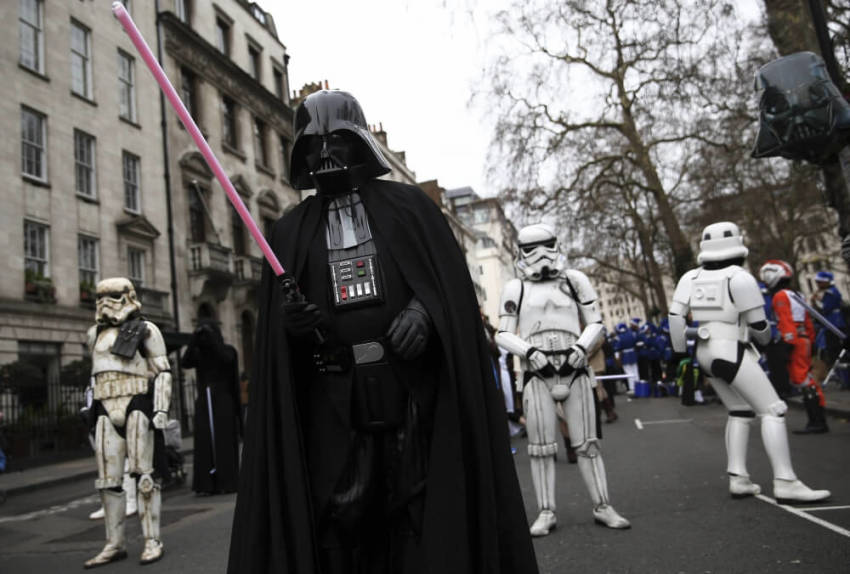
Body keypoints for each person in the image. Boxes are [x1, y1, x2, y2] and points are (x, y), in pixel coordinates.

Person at [227, 90, 537, 574]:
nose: (326, 155)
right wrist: (292, 327)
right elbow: (276, 340)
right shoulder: (289, 232)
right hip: (333, 400)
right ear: (301, 152)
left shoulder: (410, 208)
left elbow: (448, 290)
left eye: (338, 142)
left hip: (407, 388)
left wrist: (425, 312)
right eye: (315, 144)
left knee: (414, 503)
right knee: (344, 511)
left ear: (360, 143)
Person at [669, 223, 830, 503]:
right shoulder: (739, 278)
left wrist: (682, 352)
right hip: (731, 347)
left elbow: (675, 319)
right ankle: (785, 480)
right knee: (773, 410)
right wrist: (768, 342)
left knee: (739, 411)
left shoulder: (689, 277)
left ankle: (739, 477)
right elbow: (759, 325)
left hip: (704, 351)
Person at [496, 222, 630, 536]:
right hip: (536, 372)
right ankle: (546, 510)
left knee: (588, 444)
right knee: (540, 447)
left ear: (556, 244)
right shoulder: (516, 287)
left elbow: (596, 321)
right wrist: (529, 352)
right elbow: (503, 332)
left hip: (575, 367)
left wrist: (581, 347)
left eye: (546, 244)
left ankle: (602, 504)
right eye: (532, 247)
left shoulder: (574, 280)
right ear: (522, 252)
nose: (540, 253)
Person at [84, 277, 171, 567]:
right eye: (101, 296)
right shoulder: (93, 334)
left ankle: (152, 539)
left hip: (137, 403)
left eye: (114, 296)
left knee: (144, 476)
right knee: (108, 481)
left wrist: (160, 409)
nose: (106, 302)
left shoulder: (147, 330)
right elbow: (94, 373)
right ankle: (114, 543)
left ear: (129, 297)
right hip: (105, 406)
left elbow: (163, 371)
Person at [760, 261, 829, 434]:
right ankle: (817, 418)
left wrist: (787, 344)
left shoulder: (780, 296)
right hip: (804, 337)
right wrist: (810, 341)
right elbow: (807, 321)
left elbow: (785, 321)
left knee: (802, 379)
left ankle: (817, 421)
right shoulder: (796, 294)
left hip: (794, 339)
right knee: (805, 377)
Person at [182, 321, 242, 495]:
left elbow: (226, 359)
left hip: (222, 400)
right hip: (204, 399)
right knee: (204, 442)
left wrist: (212, 339)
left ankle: (226, 481)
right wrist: (194, 339)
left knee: (223, 441)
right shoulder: (199, 355)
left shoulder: (228, 351)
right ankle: (207, 483)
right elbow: (185, 362)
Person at [811, 270, 849, 388]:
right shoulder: (829, 292)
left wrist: (815, 301)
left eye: (820, 282)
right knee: (832, 352)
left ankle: (845, 379)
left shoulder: (831, 293)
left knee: (836, 352)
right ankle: (842, 378)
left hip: (835, 325)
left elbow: (825, 309)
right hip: (830, 325)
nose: (818, 285)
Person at [614, 321, 640, 395]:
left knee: (629, 373)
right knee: (635, 371)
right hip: (633, 354)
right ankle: (638, 386)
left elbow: (617, 348)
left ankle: (632, 388)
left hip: (625, 356)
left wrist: (617, 358)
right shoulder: (632, 334)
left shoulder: (619, 337)